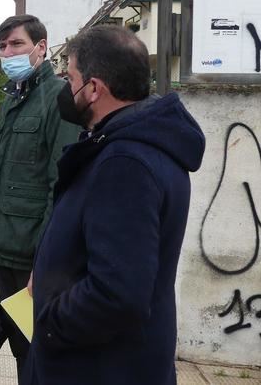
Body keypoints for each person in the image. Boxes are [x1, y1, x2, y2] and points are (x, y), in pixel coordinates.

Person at [22, 26, 205, 384]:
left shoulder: (125, 164)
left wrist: (48, 322)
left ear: (93, 88)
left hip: (99, 367)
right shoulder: (126, 145)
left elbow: (117, 294)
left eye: (70, 76)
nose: (64, 86)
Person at [0, 14, 80, 371]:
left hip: (33, 254)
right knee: (20, 343)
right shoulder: (13, 100)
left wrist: (46, 261)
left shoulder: (57, 99)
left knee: (39, 347)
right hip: (6, 251)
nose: (7, 53)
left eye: (16, 44)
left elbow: (60, 185)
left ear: (41, 48)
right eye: (2, 46)